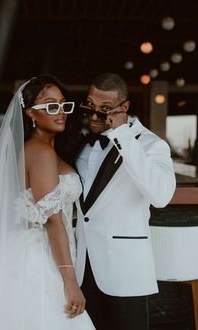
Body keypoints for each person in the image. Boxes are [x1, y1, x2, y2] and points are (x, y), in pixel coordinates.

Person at [0, 74, 95, 330]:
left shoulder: (41, 150)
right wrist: (70, 281)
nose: (61, 112)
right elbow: (54, 220)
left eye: (63, 104)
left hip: (36, 250)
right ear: (31, 113)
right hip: (41, 257)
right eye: (50, 105)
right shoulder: (41, 152)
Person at [75, 72, 176, 330]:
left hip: (124, 269)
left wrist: (122, 135)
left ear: (124, 108)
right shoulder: (79, 144)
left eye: (105, 109)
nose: (95, 116)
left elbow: (161, 196)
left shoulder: (152, 145)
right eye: (91, 106)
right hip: (82, 266)